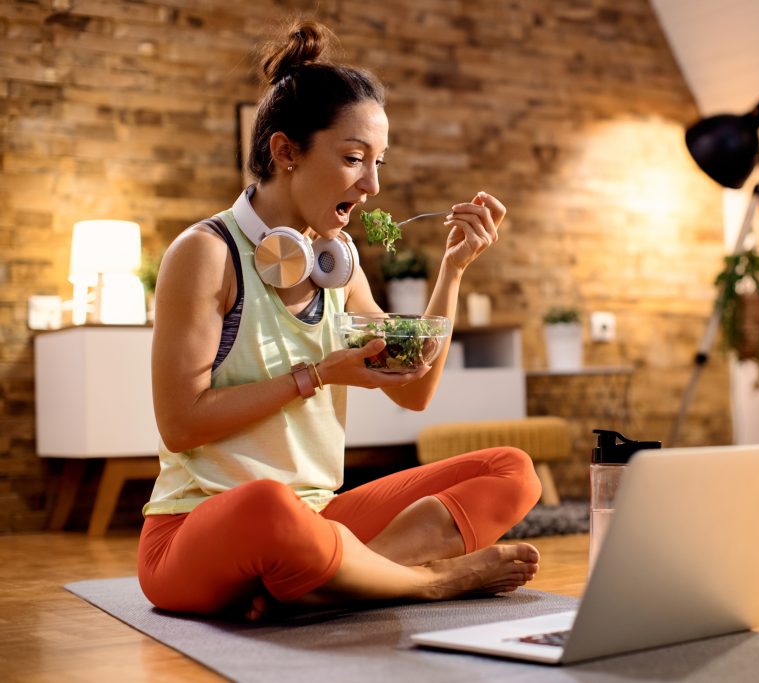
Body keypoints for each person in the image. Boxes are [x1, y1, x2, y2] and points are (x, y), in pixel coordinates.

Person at [138, 20, 542, 620]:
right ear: (286, 152)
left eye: (378, 161)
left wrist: (453, 271)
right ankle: (418, 582)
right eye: (354, 158)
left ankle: (330, 582)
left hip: (317, 521)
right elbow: (179, 424)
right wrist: (317, 376)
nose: (373, 185)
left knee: (510, 470)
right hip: (198, 530)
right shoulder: (207, 253)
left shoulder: (335, 264)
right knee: (268, 507)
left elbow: (417, 390)